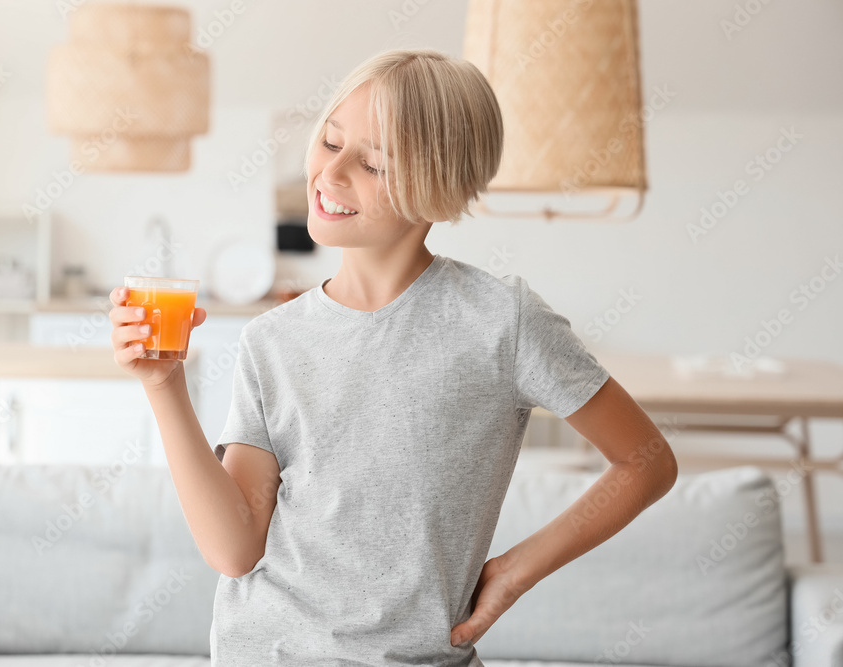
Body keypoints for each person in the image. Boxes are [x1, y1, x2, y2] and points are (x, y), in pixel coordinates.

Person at [108, 47, 679, 667]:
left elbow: (646, 463)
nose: (332, 174)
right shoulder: (271, 340)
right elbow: (234, 551)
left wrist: (516, 571)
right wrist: (165, 386)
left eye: (373, 164)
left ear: (441, 190)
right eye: (330, 143)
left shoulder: (501, 321)